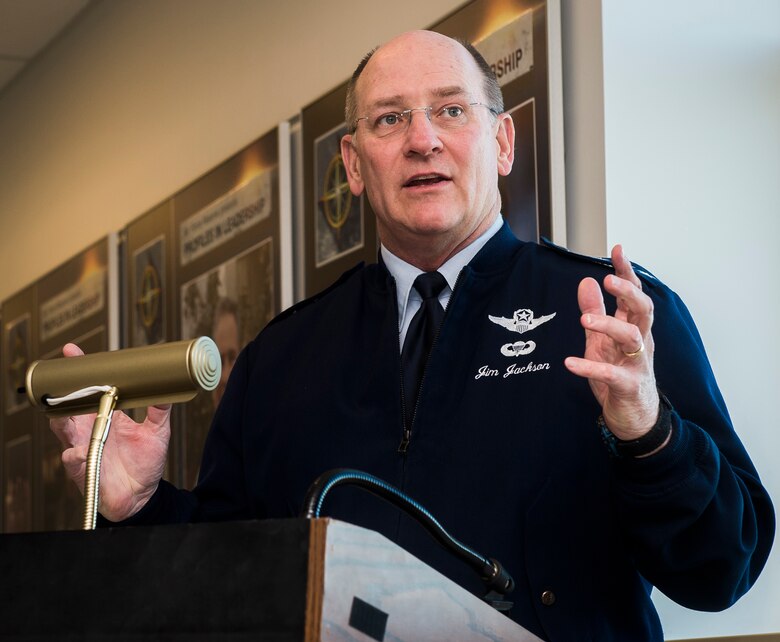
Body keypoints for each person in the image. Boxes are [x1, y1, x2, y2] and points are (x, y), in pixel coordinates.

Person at [51, 30, 774, 641]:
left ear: (501, 143)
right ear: (353, 165)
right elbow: (223, 586)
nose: (422, 139)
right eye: (390, 120)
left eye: (450, 111)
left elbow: (722, 570)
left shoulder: (615, 319)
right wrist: (140, 509)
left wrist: (652, 437)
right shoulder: (280, 360)